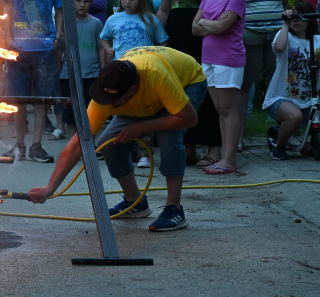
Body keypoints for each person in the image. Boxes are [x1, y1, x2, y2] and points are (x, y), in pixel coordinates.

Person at [29, 47, 207, 232]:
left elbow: (189, 118)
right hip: (145, 95)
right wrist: (50, 188)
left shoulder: (156, 77)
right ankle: (135, 203)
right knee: (109, 143)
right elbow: (77, 144)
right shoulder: (108, 91)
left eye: (112, 100)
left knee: (169, 135)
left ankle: (174, 209)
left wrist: (141, 127)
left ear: (132, 91)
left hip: (187, 81)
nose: (107, 103)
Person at [156, 0, 221, 166]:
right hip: (177, 41)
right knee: (183, 93)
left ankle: (214, 146)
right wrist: (154, 36)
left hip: (207, 39)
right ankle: (189, 147)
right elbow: (164, 10)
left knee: (210, 90)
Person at [1, 0, 63, 163]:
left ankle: (36, 145)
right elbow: (6, 10)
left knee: (42, 99)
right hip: (18, 46)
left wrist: (58, 35)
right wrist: (6, 38)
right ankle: (19, 145)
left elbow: (59, 9)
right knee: (19, 98)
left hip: (44, 47)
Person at [191, 0, 246, 174]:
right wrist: (211, 22)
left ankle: (229, 159)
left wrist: (206, 22)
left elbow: (222, 28)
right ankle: (225, 157)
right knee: (219, 108)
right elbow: (195, 29)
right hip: (209, 59)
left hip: (228, 59)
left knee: (228, 107)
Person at [263, 2, 320, 160]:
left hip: (309, 99)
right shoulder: (286, 37)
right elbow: (279, 48)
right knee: (294, 116)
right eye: (293, 16)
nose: (296, 19)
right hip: (281, 98)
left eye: (300, 16)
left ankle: (309, 145)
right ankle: (278, 146)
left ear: (310, 20)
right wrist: (285, 24)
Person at [239, 0, 287, 145]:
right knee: (244, 84)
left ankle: (285, 129)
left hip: (277, 36)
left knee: (282, 82)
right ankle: (238, 135)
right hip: (249, 35)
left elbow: (286, 3)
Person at [56, 0, 105, 141]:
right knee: (70, 112)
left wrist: (103, 71)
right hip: (68, 74)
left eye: (86, 1)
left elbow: (100, 47)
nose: (82, 4)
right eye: (78, 0)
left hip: (91, 74)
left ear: (91, 2)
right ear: (71, 1)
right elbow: (60, 49)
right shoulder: (66, 24)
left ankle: (90, 144)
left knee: (90, 111)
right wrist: (58, 71)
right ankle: (72, 145)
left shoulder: (96, 23)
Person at [101, 0, 168, 62]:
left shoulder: (151, 19)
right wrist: (108, 50)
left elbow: (163, 41)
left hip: (145, 66)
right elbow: (103, 37)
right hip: (120, 65)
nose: (128, 1)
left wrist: (155, 55)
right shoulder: (113, 19)